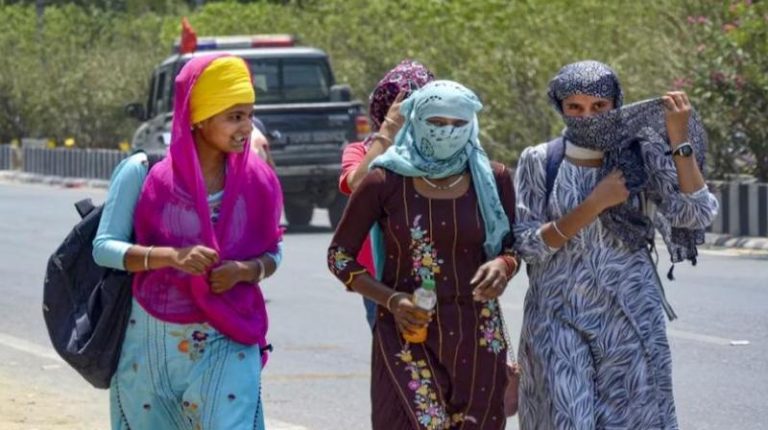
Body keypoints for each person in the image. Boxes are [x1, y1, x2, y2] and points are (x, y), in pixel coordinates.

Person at [513, 60, 719, 429]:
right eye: (574, 107)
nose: (587, 116)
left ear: (615, 104)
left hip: (630, 316)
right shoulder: (540, 160)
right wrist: (595, 204)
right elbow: (528, 246)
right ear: (560, 107)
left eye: (599, 107)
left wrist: (678, 139)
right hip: (557, 316)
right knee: (566, 418)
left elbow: (696, 213)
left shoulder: (641, 154)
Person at [92, 54, 284, 429]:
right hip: (152, 345)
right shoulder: (143, 173)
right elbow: (104, 248)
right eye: (234, 116)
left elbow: (274, 251)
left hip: (229, 335)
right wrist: (171, 257)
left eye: (248, 115)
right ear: (199, 117)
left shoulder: (256, 180)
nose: (247, 127)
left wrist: (245, 271)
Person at [328, 80, 519, 429]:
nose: (447, 132)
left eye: (458, 124)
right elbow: (340, 256)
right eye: (437, 123)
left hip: (477, 333)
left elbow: (513, 247)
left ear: (472, 125)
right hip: (407, 329)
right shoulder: (384, 180)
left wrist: (503, 265)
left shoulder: (493, 179)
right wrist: (391, 300)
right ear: (416, 121)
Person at [338, 59, 435, 329]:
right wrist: (388, 132)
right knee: (394, 360)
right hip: (380, 283)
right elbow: (358, 183)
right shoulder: (360, 150)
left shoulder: (444, 150)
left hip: (439, 274)